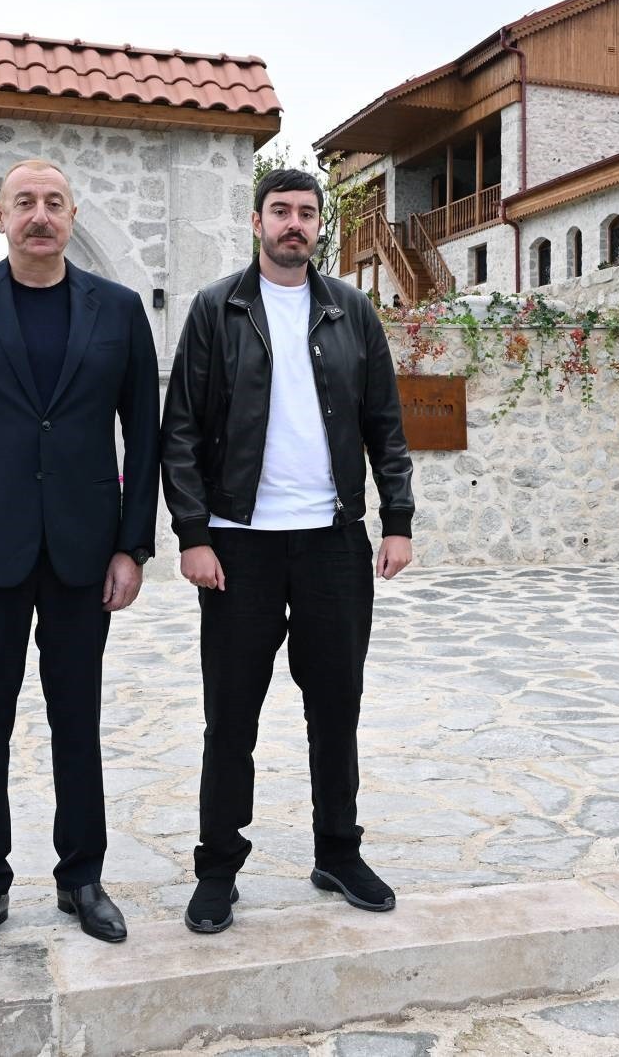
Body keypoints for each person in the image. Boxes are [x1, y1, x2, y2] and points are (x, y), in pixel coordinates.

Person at [0, 158, 158, 957]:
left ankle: (83, 878)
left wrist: (133, 544)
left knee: (77, 722)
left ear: (73, 215)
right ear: (0, 215)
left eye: (53, 203)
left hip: (84, 550)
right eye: (24, 203)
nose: (39, 215)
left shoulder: (116, 310)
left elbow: (143, 436)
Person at [160, 167, 415, 935]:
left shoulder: (352, 312)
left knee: (336, 707)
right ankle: (217, 866)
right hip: (240, 548)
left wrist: (396, 519)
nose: (294, 225)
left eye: (306, 213)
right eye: (281, 212)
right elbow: (180, 432)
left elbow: (385, 426)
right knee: (230, 716)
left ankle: (337, 849)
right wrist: (195, 535)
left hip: (333, 542)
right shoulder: (216, 309)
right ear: (256, 222)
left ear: (318, 226)